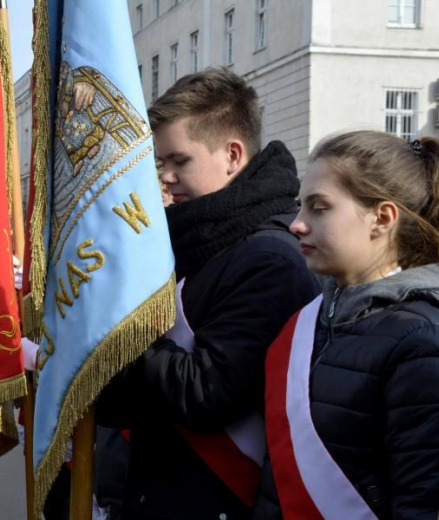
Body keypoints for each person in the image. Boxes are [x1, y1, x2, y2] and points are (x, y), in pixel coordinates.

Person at [95, 67, 321, 519]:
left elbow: (206, 392)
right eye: (162, 164)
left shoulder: (269, 260)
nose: (166, 178)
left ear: (233, 154)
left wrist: (114, 331)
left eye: (180, 161)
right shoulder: (195, 240)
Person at [254, 131, 439, 518]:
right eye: (300, 206)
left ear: (382, 218)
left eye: (318, 208)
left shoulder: (426, 342)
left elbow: (424, 503)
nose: (296, 224)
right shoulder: (314, 318)